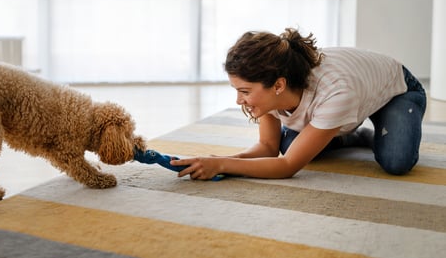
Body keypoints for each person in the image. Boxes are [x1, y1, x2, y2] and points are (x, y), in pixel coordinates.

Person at [171, 28, 426, 179]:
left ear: (278, 85)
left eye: (245, 91)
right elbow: (268, 147)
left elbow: (287, 165)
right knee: (290, 144)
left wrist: (223, 165)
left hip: (396, 90)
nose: (239, 100)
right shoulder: (273, 88)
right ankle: (352, 135)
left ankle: (371, 134)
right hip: (356, 92)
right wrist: (217, 160)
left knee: (396, 161)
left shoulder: (335, 93)